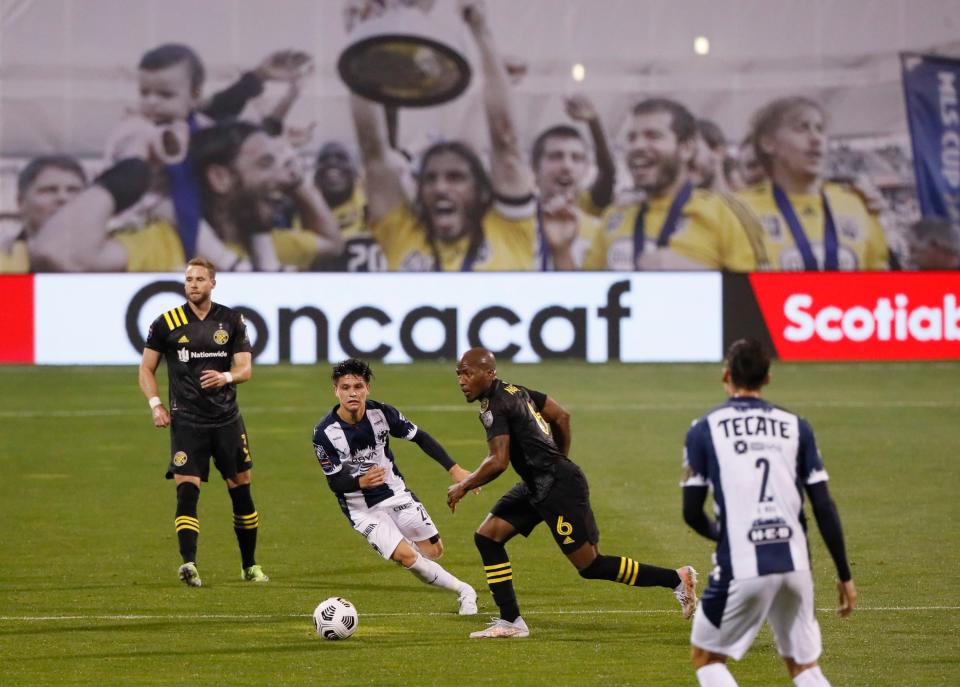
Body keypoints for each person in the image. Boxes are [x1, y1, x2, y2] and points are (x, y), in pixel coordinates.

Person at [447, 347, 697, 638]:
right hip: (538, 484)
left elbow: (498, 461)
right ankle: (511, 621)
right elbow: (560, 415)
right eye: (459, 374)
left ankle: (678, 579)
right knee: (488, 536)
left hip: (557, 488)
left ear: (489, 374)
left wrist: (465, 484)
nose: (462, 380)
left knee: (591, 565)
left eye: (468, 373)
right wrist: (557, 460)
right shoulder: (516, 390)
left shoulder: (495, 407)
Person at [681, 338, 857, 687]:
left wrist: (725, 534)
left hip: (742, 564)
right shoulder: (797, 427)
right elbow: (823, 505)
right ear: (769, 378)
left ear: (726, 375)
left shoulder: (704, 430)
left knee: (706, 656)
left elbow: (691, 512)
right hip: (796, 563)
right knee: (804, 666)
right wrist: (844, 574)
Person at [350, 0, 537, 271]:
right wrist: (361, 45)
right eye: (430, 178)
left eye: (456, 177)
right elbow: (373, 152)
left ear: (480, 190)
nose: (440, 187)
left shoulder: (508, 228)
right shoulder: (402, 232)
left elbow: (505, 139)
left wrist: (480, 31)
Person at [31, 121, 342, 271]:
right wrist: (129, 173)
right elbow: (56, 251)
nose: (284, 178)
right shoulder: (162, 242)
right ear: (220, 178)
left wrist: (298, 180)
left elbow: (331, 242)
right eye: (265, 164)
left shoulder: (269, 243)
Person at [138, 257, 268, 587]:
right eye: (188, 279)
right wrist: (155, 405)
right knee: (186, 491)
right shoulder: (166, 323)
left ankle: (250, 566)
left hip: (226, 421)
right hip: (187, 422)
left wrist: (224, 376)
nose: (193, 284)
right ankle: (189, 564)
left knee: (241, 492)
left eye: (199, 279)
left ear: (213, 283)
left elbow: (245, 369)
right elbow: (146, 369)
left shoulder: (231, 320)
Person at [312, 358, 478, 615]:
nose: (352, 393)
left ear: (368, 388)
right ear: (335, 390)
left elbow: (420, 437)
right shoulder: (324, 433)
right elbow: (335, 482)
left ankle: (409, 554)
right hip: (361, 508)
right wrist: (360, 481)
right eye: (345, 387)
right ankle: (465, 591)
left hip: (395, 493)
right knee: (407, 558)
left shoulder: (382, 414)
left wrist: (454, 470)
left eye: (358, 386)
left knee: (434, 552)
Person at [583, 98, 761, 271]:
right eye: (631, 138)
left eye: (653, 136)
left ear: (686, 149)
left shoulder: (727, 214)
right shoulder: (614, 216)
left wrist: (695, 276)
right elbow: (584, 294)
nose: (638, 146)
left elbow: (760, 298)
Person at [737, 96, 890, 271]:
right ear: (768, 143)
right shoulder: (733, 212)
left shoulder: (858, 204)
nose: (816, 138)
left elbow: (880, 281)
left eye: (820, 129)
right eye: (802, 128)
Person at [1, 156, 86, 273]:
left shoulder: (113, 262)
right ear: (20, 201)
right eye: (49, 190)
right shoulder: (3, 259)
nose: (63, 198)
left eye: (73, 190)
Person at [311, 141, 385, 271]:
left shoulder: (372, 202)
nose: (332, 163)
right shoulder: (302, 212)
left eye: (341, 158)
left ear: (355, 172)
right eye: (324, 159)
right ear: (316, 176)